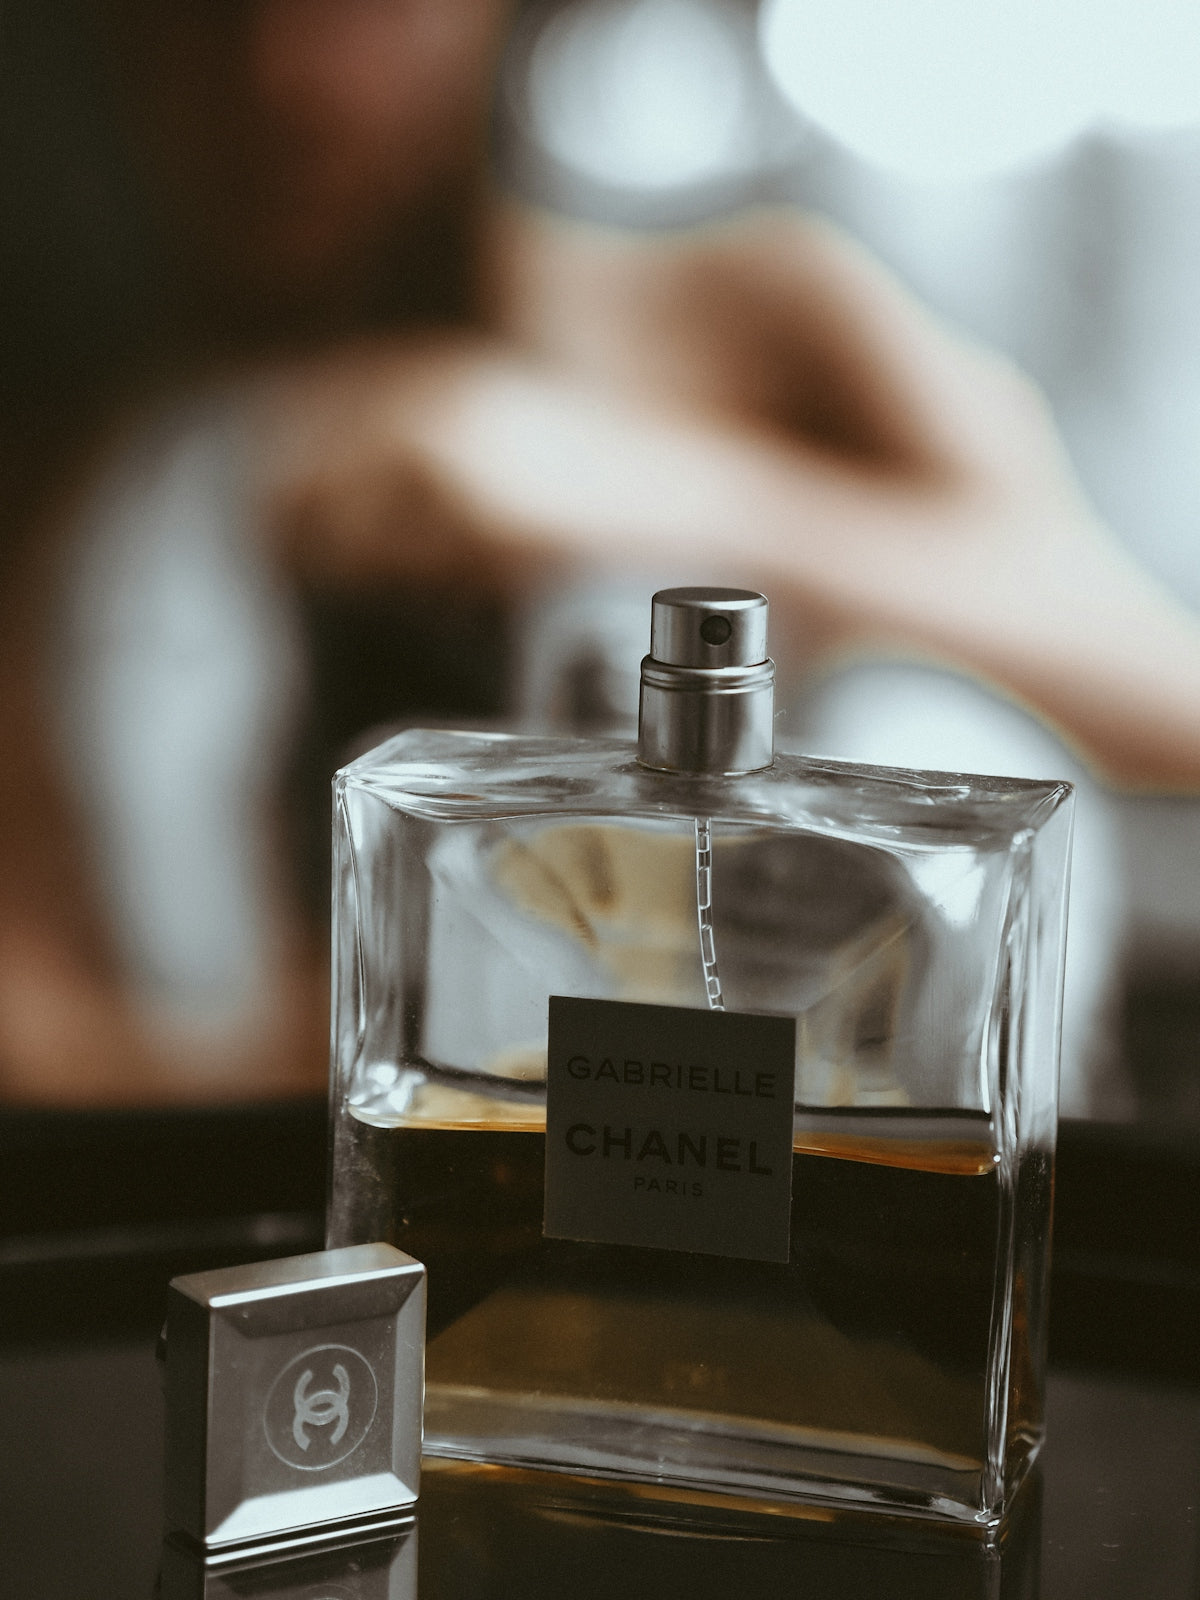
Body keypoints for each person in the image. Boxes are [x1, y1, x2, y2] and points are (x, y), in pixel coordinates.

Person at [3, 0, 1199, 1104]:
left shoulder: (754, 310)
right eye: (204, 21)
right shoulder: (104, 479)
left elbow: (1161, 692)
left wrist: (630, 488)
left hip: (863, 1173)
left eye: (359, 8)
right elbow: (53, 1007)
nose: (282, 77)